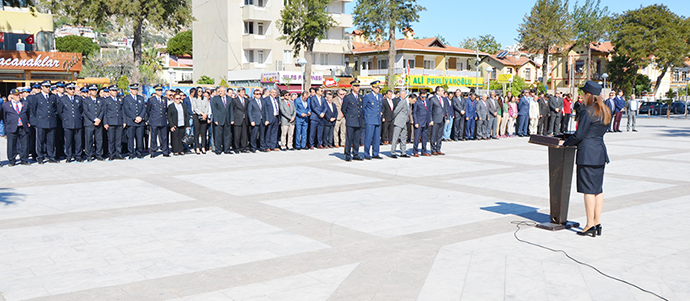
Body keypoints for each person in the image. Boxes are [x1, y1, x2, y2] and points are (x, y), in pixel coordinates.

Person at [559, 80, 611, 237]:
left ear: (589, 95)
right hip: (600, 153)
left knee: (588, 191)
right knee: (598, 190)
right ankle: (597, 222)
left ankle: (589, 224)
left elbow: (579, 135)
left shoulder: (587, 111)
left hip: (587, 154)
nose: (582, 95)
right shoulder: (606, 110)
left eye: (584, 93)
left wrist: (565, 143)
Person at [31, 80, 59, 164]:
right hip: (41, 122)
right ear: (42, 87)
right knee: (40, 141)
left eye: (49, 87)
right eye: (46, 87)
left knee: (51, 140)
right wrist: (36, 120)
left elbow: (56, 108)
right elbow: (33, 110)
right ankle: (40, 156)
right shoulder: (37, 97)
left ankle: (51, 156)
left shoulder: (53, 96)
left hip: (51, 121)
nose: (48, 88)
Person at [2, 88, 31, 166]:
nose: (18, 96)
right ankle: (11, 160)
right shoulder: (6, 105)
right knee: (11, 144)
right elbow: (4, 116)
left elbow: (28, 114)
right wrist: (7, 125)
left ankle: (24, 159)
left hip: (23, 126)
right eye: (16, 95)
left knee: (24, 144)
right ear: (11, 96)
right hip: (12, 127)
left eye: (19, 94)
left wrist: (28, 122)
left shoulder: (25, 103)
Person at [57, 83, 84, 163]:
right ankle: (68, 156)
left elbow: (81, 110)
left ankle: (78, 155)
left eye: (73, 89)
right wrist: (65, 118)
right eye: (70, 89)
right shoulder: (63, 99)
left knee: (78, 140)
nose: (72, 90)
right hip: (68, 123)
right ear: (67, 89)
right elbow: (60, 111)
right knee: (68, 141)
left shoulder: (78, 98)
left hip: (77, 122)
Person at [123, 84, 147, 159]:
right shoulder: (126, 98)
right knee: (130, 138)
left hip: (140, 122)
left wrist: (140, 117)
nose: (135, 91)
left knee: (139, 138)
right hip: (131, 121)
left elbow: (144, 108)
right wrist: (134, 117)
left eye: (136, 89)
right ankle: (131, 153)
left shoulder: (140, 98)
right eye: (133, 89)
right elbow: (126, 109)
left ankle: (139, 152)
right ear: (130, 90)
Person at [341, 80, 363, 161]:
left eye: (358, 86)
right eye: (356, 86)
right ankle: (347, 154)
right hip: (351, 120)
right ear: (352, 87)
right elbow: (344, 109)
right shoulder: (348, 97)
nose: (358, 88)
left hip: (358, 120)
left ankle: (356, 154)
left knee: (357, 139)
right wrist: (348, 117)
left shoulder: (360, 97)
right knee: (349, 138)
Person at [146, 85, 170, 158]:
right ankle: (153, 151)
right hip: (154, 120)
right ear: (155, 91)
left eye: (161, 90)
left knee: (164, 137)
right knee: (153, 137)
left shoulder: (164, 99)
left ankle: (165, 151)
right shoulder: (151, 99)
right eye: (159, 90)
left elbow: (165, 110)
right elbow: (148, 110)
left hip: (162, 120)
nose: (160, 92)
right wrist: (152, 118)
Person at [83, 85, 104, 161]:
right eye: (92, 90)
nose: (94, 91)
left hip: (98, 122)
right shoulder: (86, 101)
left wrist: (99, 119)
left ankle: (99, 154)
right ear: (90, 91)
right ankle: (89, 155)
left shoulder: (100, 100)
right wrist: (94, 119)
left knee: (99, 139)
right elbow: (86, 111)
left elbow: (102, 110)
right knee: (89, 139)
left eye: (95, 90)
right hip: (89, 123)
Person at [103, 86, 126, 160]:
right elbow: (105, 113)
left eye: (115, 90)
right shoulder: (106, 100)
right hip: (111, 122)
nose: (115, 92)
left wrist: (124, 121)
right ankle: (111, 154)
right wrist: (105, 123)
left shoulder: (119, 99)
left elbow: (123, 111)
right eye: (113, 90)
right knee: (111, 140)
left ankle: (118, 154)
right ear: (109, 91)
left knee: (118, 139)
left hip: (119, 121)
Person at [210, 86, 234, 155]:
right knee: (218, 136)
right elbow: (214, 110)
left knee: (227, 135)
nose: (220, 92)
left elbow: (231, 110)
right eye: (219, 91)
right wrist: (216, 119)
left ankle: (227, 149)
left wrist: (232, 119)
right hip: (219, 119)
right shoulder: (215, 99)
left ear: (225, 92)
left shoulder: (229, 99)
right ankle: (218, 150)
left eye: (221, 91)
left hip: (227, 119)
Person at [363, 80, 383, 159]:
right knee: (368, 137)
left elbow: (380, 107)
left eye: (378, 88)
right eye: (376, 87)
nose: (377, 89)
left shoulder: (380, 96)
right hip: (370, 119)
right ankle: (366, 153)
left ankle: (375, 153)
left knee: (377, 138)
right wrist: (367, 117)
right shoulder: (368, 96)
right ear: (372, 88)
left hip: (377, 119)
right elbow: (364, 108)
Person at [390, 93, 414, 158]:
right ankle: (393, 152)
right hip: (399, 122)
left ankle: (403, 152)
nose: (413, 102)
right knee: (395, 138)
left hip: (404, 122)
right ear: (410, 98)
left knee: (403, 138)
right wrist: (394, 118)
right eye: (413, 100)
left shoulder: (410, 104)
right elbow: (396, 111)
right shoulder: (403, 102)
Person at [192, 87, 211, 154]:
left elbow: (207, 107)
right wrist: (201, 113)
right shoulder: (194, 99)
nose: (200, 92)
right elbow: (195, 108)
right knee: (196, 133)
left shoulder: (205, 99)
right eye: (199, 91)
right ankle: (197, 147)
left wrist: (205, 114)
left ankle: (203, 147)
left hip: (204, 117)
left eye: (201, 91)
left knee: (203, 133)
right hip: (197, 116)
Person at [232, 88, 250, 153]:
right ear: (238, 93)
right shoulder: (234, 100)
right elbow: (232, 110)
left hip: (245, 119)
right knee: (237, 135)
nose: (243, 93)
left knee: (244, 135)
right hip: (237, 119)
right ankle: (237, 148)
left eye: (244, 92)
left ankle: (243, 147)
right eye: (242, 92)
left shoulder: (246, 100)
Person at [248, 88, 265, 152]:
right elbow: (249, 112)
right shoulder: (251, 102)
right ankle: (253, 147)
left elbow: (265, 111)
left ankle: (262, 147)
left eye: (259, 94)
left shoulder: (263, 101)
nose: (258, 95)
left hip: (262, 120)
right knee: (254, 135)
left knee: (262, 135)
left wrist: (266, 119)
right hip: (255, 120)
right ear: (254, 95)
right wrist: (251, 120)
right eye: (257, 94)